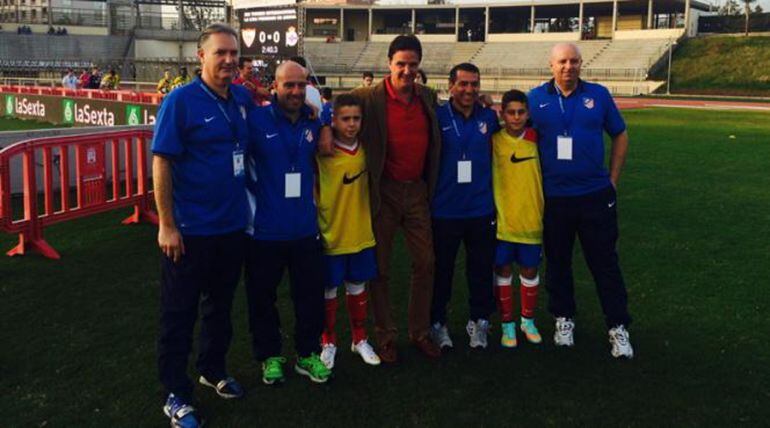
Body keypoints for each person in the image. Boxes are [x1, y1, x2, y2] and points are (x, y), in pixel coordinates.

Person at [151, 23, 252, 428]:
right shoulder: (181, 101)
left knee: (220, 308)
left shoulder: (240, 98)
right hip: (189, 231)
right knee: (178, 314)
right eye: (221, 53)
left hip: (231, 229)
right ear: (201, 57)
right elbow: (162, 161)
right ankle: (175, 393)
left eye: (234, 54)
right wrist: (166, 224)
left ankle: (212, 370)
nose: (229, 60)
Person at [528, 42, 634, 358]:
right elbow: (514, 129)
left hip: (594, 197)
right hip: (554, 199)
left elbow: (620, 133)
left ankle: (618, 327)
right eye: (562, 61)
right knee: (558, 263)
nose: (568, 67)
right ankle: (563, 319)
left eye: (574, 61)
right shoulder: (535, 99)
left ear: (581, 64)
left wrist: (612, 180)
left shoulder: (598, 95)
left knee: (605, 264)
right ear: (551, 65)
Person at [345, 35, 443, 362]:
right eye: (401, 63)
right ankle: (385, 335)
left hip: (417, 190)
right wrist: (328, 130)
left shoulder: (427, 97)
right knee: (380, 267)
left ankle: (419, 331)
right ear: (389, 63)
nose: (406, 70)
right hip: (383, 190)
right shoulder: (368, 97)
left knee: (426, 262)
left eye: (412, 64)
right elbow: (336, 111)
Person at [245, 60, 332, 385]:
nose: (295, 91)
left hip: (305, 228)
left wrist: (325, 122)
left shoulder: (314, 122)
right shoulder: (254, 122)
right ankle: (269, 356)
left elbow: (346, 110)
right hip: (264, 230)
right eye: (289, 85)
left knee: (309, 296)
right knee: (262, 298)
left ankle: (307, 354)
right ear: (275, 87)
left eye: (301, 84)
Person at [429, 63, 499, 350]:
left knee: (481, 270)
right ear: (451, 86)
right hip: (444, 210)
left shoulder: (489, 118)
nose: (469, 89)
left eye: (474, 84)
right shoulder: (437, 116)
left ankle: (479, 321)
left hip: (481, 209)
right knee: (441, 271)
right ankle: (437, 323)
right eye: (463, 84)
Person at [317, 94, 381, 369]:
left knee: (357, 287)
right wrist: (322, 126)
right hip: (331, 232)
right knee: (329, 290)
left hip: (360, 232)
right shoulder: (322, 150)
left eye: (356, 119)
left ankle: (359, 339)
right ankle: (328, 341)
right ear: (333, 120)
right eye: (345, 119)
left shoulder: (368, 149)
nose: (352, 124)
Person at [492, 90, 544, 349]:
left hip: (531, 218)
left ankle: (528, 320)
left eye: (520, 112)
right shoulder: (493, 141)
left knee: (529, 271)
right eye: (510, 112)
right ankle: (507, 324)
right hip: (503, 221)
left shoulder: (537, 139)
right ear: (502, 114)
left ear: (528, 114)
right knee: (502, 271)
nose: (515, 117)